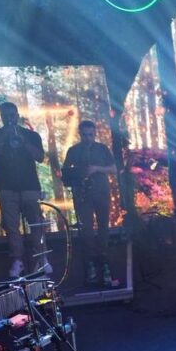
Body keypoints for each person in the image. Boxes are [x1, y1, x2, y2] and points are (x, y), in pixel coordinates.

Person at [0, 102, 48, 278]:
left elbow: (40, 157)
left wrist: (23, 141)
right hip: (6, 188)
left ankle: (42, 258)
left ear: (17, 116)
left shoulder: (31, 135)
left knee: (37, 224)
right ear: (1, 117)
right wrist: (3, 138)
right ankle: (17, 260)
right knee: (12, 227)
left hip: (30, 186)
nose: (9, 119)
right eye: (5, 116)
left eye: (12, 115)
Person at [61, 120, 118, 286]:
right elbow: (65, 173)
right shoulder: (73, 151)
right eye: (85, 135)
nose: (88, 138)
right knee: (86, 230)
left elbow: (114, 169)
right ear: (80, 134)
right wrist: (77, 175)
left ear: (95, 134)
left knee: (103, 227)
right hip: (82, 195)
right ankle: (91, 263)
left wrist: (97, 169)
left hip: (101, 192)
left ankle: (104, 262)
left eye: (91, 135)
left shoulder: (102, 149)